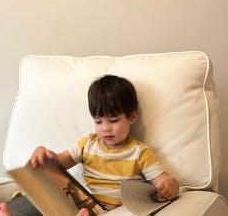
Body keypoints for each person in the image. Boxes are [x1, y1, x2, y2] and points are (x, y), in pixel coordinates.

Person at [29, 74, 179, 210]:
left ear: (132, 117)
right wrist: (42, 153)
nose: (105, 128)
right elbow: (58, 164)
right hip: (87, 206)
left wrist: (168, 184)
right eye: (98, 121)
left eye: (113, 120)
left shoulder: (139, 152)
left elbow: (161, 180)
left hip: (120, 210)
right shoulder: (87, 144)